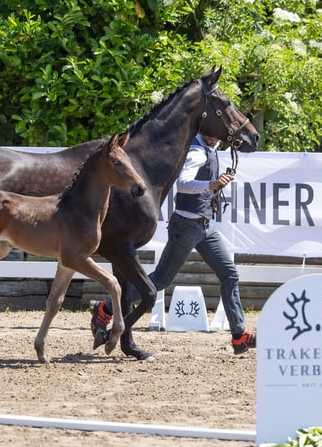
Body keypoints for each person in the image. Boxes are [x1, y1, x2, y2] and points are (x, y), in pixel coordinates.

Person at [90, 132, 256, 355]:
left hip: (205, 227)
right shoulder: (197, 151)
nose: (216, 138)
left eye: (218, 136)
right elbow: (184, 184)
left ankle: (239, 335)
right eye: (212, 134)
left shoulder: (211, 149)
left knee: (229, 274)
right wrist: (212, 184)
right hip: (186, 226)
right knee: (159, 280)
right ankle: (106, 308)